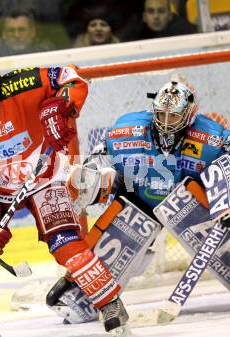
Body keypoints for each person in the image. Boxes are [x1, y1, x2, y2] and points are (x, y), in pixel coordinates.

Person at [0, 47, 129, 337]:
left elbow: (71, 77)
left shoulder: (22, 83)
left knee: (65, 241)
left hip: (44, 176)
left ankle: (111, 304)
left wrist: (64, 106)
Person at [46, 79, 230, 323]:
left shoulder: (212, 136)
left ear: (189, 115)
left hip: (189, 204)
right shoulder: (127, 130)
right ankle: (85, 289)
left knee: (202, 215)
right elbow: (98, 164)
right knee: (119, 211)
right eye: (161, 114)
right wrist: (84, 182)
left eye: (173, 116)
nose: (165, 122)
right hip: (140, 199)